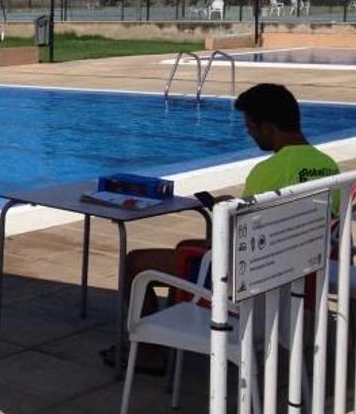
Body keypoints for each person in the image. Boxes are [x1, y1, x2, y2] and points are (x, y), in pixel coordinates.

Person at [106, 83, 339, 373]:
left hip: (249, 285)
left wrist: (221, 223)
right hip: (296, 276)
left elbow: (239, 240)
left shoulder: (269, 170)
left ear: (267, 126)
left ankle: (150, 355)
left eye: (250, 127)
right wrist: (236, 206)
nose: (250, 134)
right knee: (187, 245)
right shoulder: (328, 166)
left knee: (136, 263)